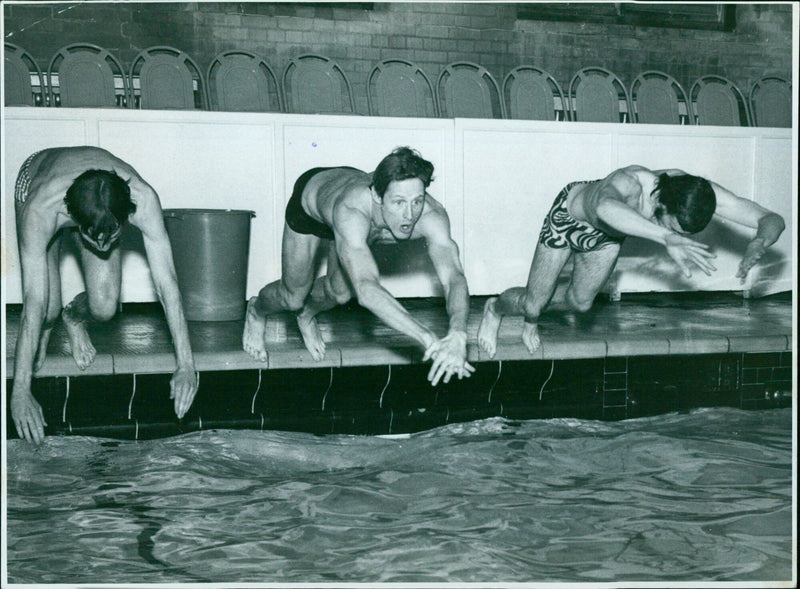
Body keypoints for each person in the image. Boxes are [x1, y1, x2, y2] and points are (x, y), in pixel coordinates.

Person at [477, 165, 786, 358]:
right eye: (672, 227)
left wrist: (759, 241)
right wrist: (665, 238)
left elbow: (770, 218)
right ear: (661, 205)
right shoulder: (631, 183)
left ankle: (539, 305)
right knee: (533, 305)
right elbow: (604, 208)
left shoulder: (692, 191)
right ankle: (496, 308)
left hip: (604, 239)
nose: (670, 232)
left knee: (581, 303)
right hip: (567, 221)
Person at [11, 146, 199, 443]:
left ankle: (73, 317)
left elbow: (168, 285)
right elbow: (32, 300)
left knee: (104, 307)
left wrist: (186, 365)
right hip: (35, 175)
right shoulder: (41, 208)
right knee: (45, 310)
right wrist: (21, 388)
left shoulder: (143, 199)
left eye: (111, 237)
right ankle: (53, 321)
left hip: (90, 201)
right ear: (74, 221)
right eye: (92, 239)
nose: (102, 247)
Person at [243, 147, 474, 386]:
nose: (409, 214)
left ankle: (307, 314)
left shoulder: (432, 215)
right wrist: (428, 340)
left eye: (417, 201)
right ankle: (256, 311)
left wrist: (458, 332)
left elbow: (454, 277)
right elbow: (366, 287)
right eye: (398, 202)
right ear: (377, 195)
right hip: (311, 205)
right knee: (293, 297)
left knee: (340, 293)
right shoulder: (351, 211)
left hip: (356, 214)